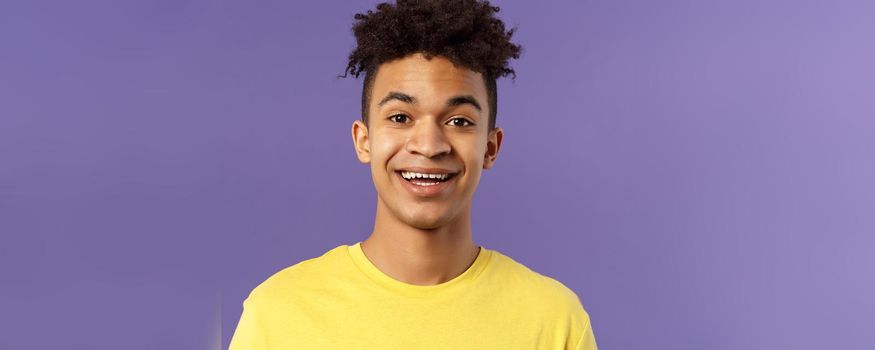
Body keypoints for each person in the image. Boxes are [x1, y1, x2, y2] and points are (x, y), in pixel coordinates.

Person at [229, 0, 597, 348]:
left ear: (491, 147)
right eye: (400, 118)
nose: (429, 144)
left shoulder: (554, 320)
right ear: (364, 140)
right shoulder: (278, 314)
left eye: (459, 121)